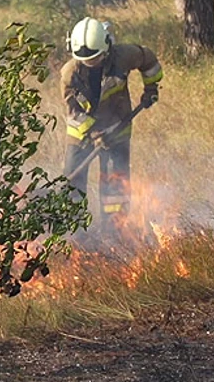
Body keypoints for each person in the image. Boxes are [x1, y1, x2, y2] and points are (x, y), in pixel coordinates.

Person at [59, 16, 163, 236]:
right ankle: (75, 233)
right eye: (86, 60)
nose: (91, 63)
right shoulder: (69, 73)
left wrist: (151, 89)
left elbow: (149, 61)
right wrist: (95, 133)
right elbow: (73, 111)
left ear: (106, 46)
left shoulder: (124, 56)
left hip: (118, 129)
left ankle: (114, 232)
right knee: (72, 183)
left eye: (95, 58)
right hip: (81, 135)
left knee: (115, 185)